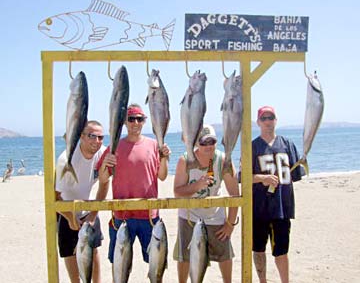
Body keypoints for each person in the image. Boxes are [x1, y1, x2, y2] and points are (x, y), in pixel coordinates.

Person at [97, 103, 171, 279]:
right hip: (122, 217)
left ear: (145, 121)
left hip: (149, 217)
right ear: (125, 122)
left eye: (140, 119)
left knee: (156, 265)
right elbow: (103, 178)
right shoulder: (115, 146)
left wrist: (165, 158)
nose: (135, 123)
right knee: (120, 266)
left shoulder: (154, 145)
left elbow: (162, 176)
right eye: (131, 119)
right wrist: (105, 163)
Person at [173, 124, 240, 283]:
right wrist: (197, 185)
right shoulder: (185, 160)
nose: (208, 146)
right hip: (189, 216)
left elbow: (234, 194)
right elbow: (177, 192)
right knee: (185, 256)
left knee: (224, 253)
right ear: (196, 143)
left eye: (212, 141)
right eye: (204, 142)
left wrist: (230, 224)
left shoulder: (223, 160)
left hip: (215, 214)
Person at [245, 106, 304, 283]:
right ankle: (262, 280)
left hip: (282, 208)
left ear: (276, 120)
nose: (268, 122)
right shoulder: (252, 146)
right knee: (258, 249)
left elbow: (295, 174)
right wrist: (261, 178)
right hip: (259, 208)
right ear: (258, 122)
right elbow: (242, 177)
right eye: (264, 119)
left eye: (271, 118)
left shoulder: (287, 144)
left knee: (282, 250)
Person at [55, 120, 107, 283]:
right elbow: (55, 197)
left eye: (100, 137)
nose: (97, 141)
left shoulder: (102, 154)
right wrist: (70, 218)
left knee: (93, 251)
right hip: (65, 211)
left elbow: (104, 184)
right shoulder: (66, 160)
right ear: (81, 137)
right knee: (70, 254)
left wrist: (93, 214)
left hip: (89, 207)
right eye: (92, 136)